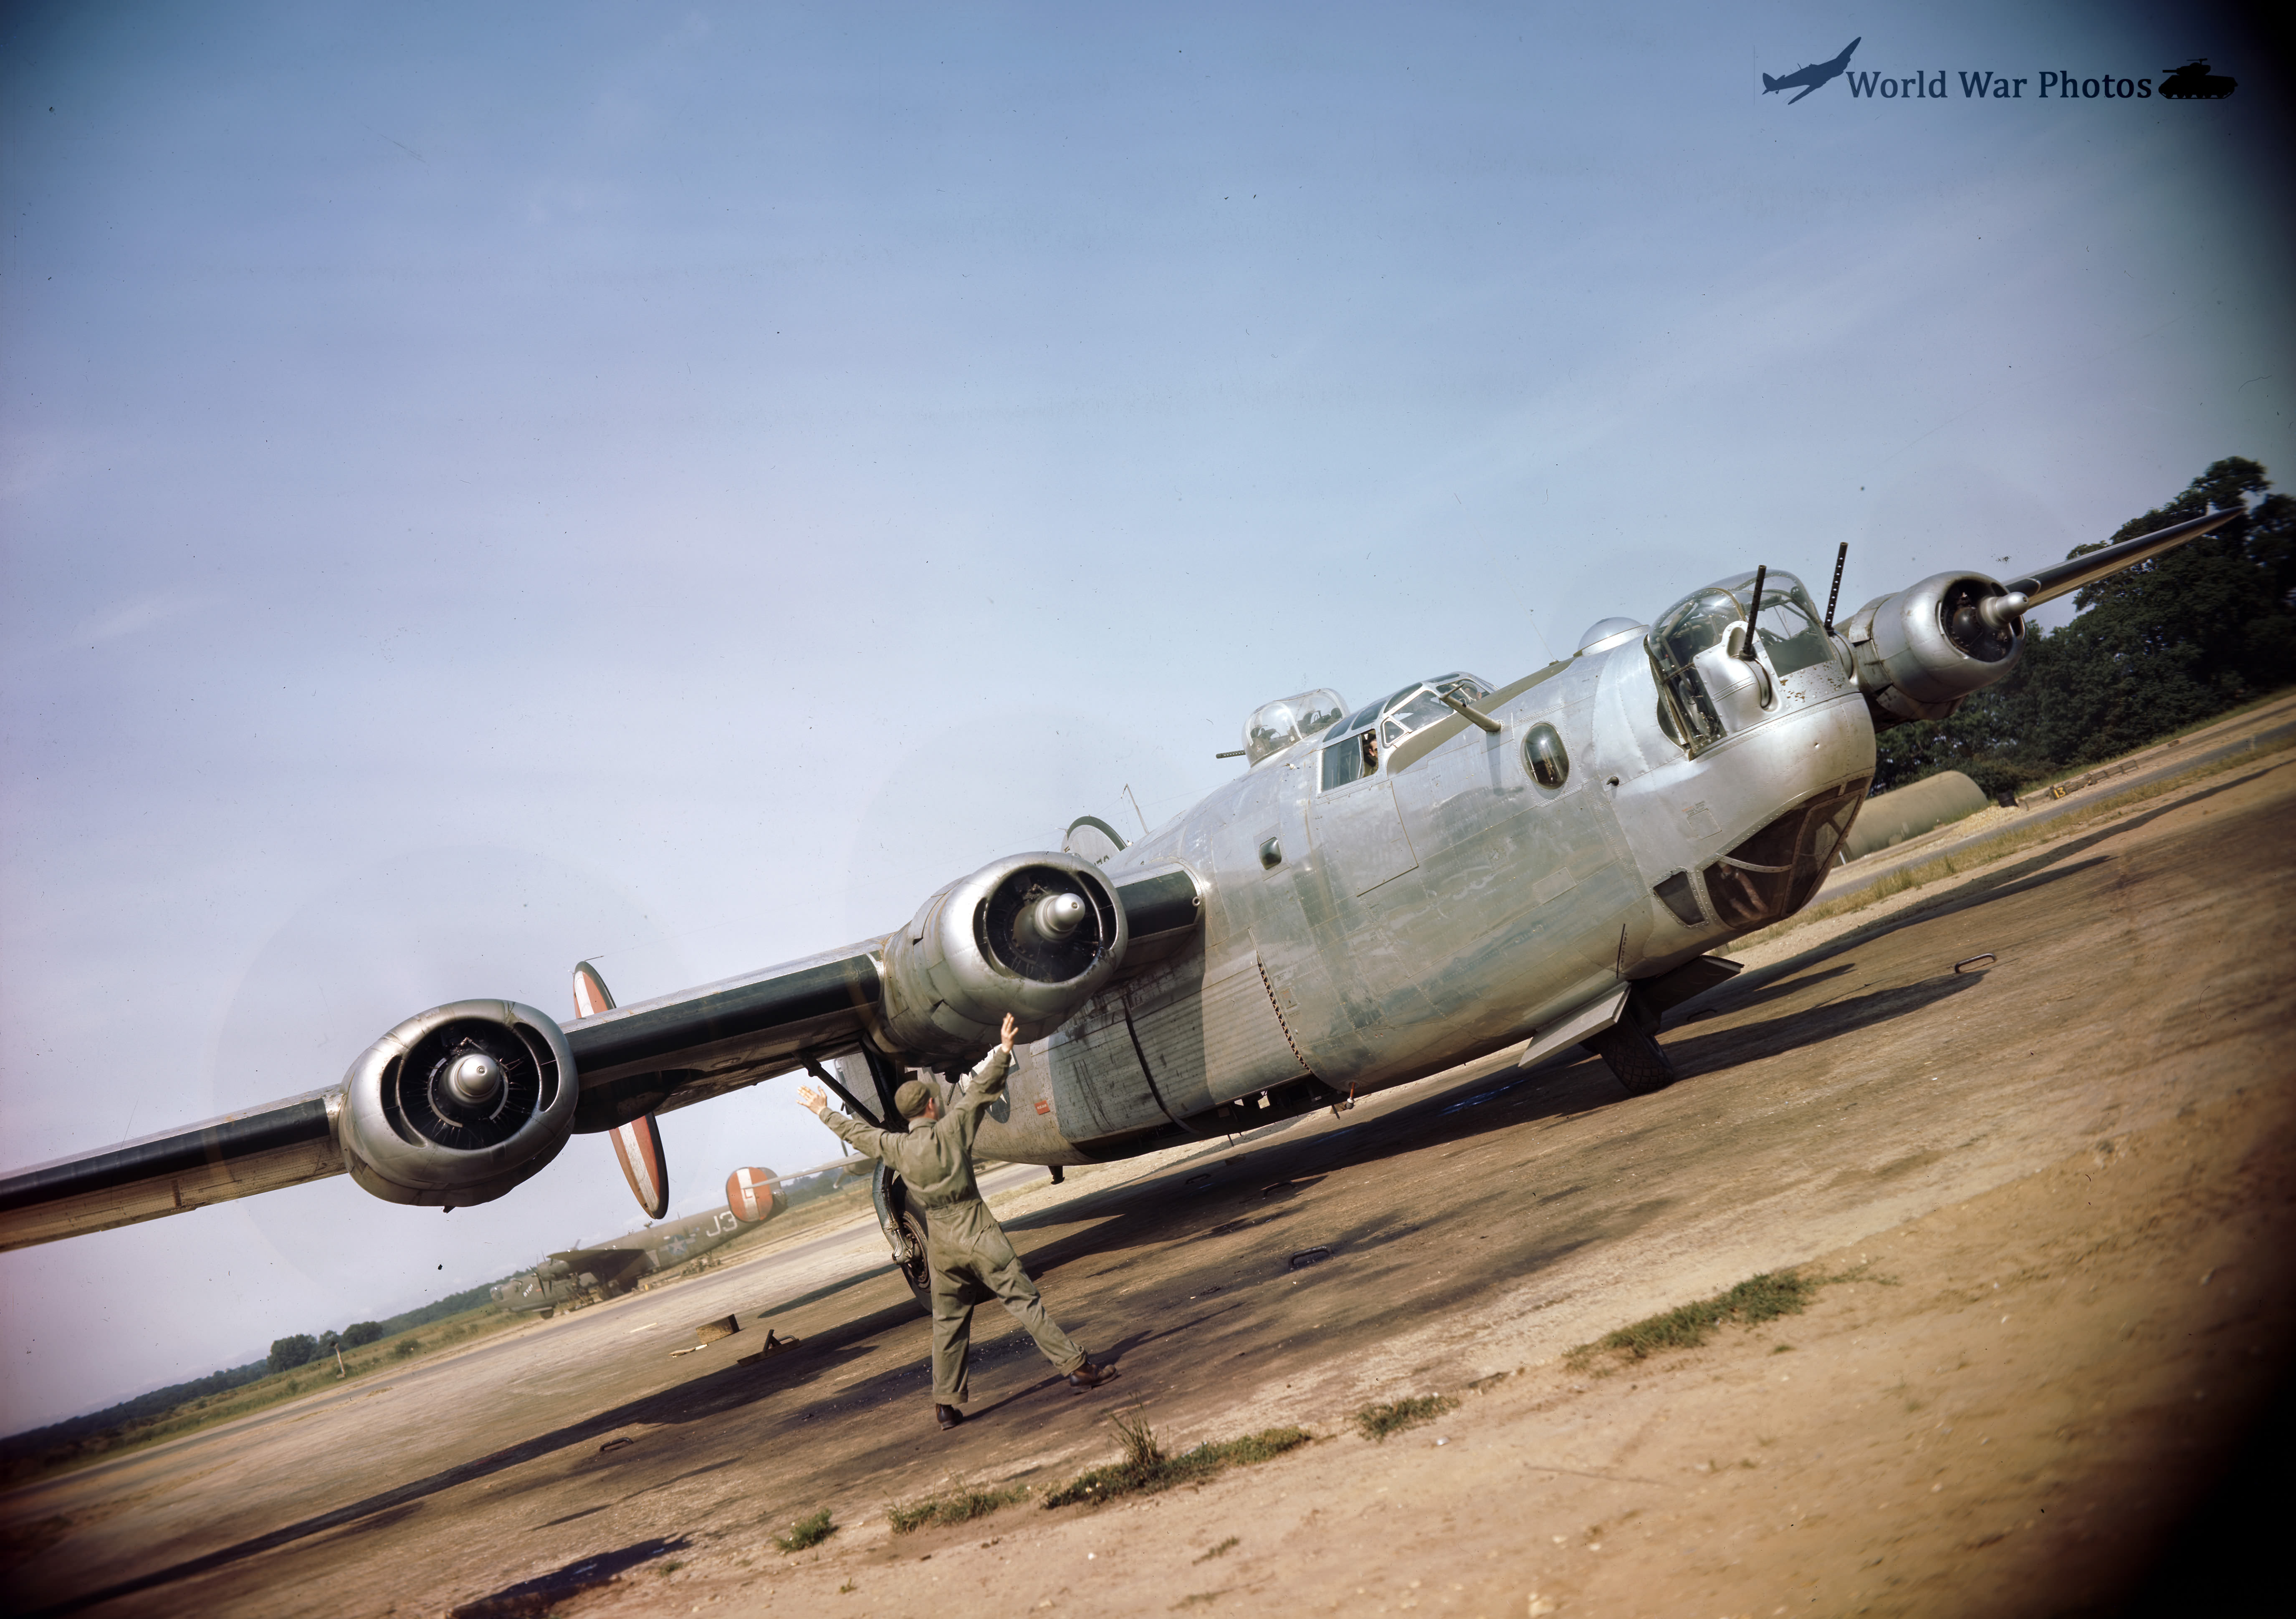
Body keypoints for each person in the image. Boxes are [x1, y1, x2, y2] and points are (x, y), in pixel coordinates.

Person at [797, 1013, 1115, 1432]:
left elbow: (859, 1135)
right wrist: (1003, 1051)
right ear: (931, 1106)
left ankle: (945, 1405)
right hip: (978, 1230)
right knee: (1024, 1303)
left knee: (948, 1323)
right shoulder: (952, 1130)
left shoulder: (895, 1146)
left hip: (942, 1244)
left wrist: (823, 1111)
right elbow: (981, 1092)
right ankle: (1076, 1368)